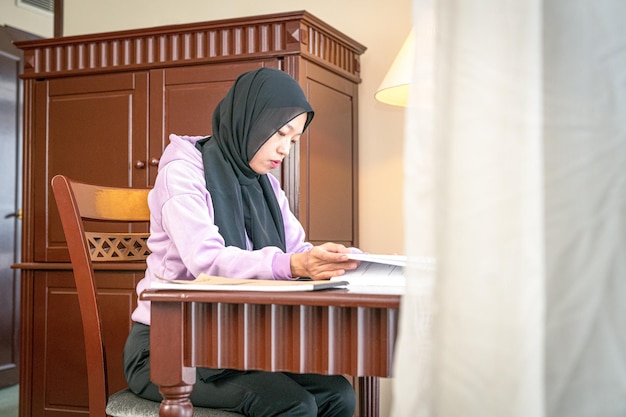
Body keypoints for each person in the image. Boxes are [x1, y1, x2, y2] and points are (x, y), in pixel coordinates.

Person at [123, 67, 359, 417]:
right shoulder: (183, 171)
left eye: (293, 140)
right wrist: (294, 265)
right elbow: (206, 260)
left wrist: (330, 260)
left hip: (236, 342)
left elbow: (296, 250)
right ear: (251, 117)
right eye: (280, 132)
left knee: (340, 394)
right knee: (292, 405)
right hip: (168, 346)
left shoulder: (266, 184)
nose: (285, 149)